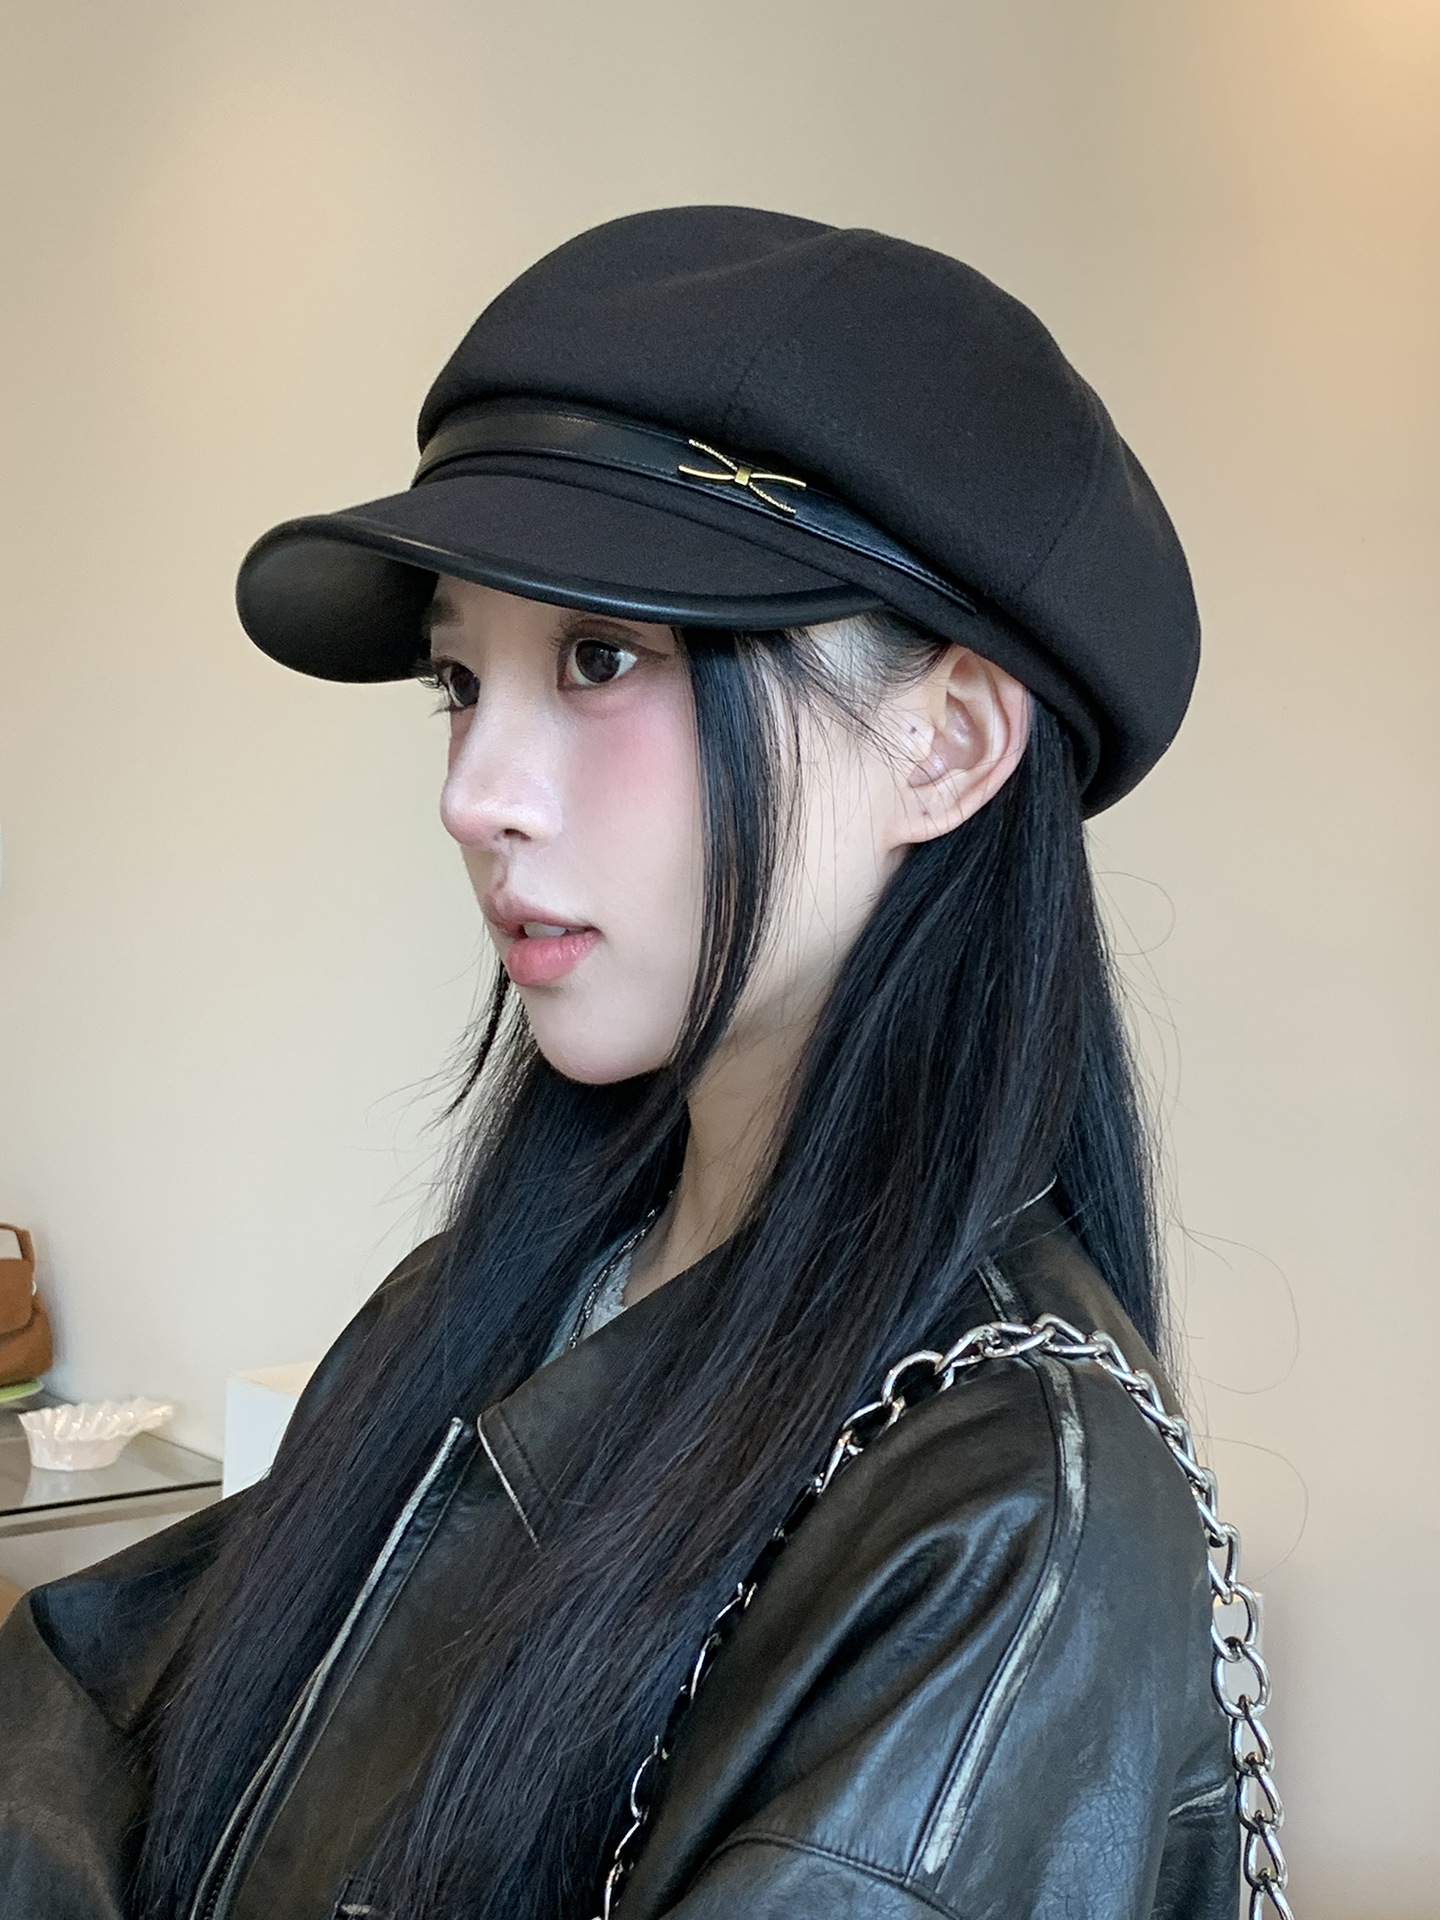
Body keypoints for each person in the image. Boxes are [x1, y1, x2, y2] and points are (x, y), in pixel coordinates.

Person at [0, 207, 1275, 1920]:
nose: (474, 794)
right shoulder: (485, 1301)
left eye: (604, 658)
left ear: (946, 744)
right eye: (460, 679)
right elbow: (100, 1704)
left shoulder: (1005, 1520)